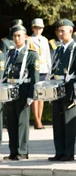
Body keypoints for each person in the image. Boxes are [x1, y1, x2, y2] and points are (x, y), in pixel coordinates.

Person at [3, 24, 39, 160]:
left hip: (23, 90)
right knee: (11, 122)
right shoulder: (10, 53)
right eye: (15, 36)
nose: (17, 38)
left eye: (19, 36)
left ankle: (22, 151)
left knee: (22, 123)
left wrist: (32, 95)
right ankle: (13, 151)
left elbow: (34, 76)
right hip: (10, 91)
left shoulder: (31, 54)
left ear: (25, 37)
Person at [49, 19, 76, 162]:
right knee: (57, 122)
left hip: (70, 89)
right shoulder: (58, 49)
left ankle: (69, 152)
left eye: (62, 31)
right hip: (56, 88)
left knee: (68, 123)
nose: (60, 33)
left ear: (70, 31)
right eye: (58, 31)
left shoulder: (75, 48)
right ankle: (59, 151)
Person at [29, 18, 52, 129]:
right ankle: (37, 120)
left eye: (40, 28)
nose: (37, 30)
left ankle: (40, 118)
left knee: (41, 96)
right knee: (35, 95)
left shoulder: (45, 40)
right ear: (33, 28)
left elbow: (47, 56)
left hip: (43, 69)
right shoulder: (29, 39)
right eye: (35, 27)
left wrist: (49, 69)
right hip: (34, 69)